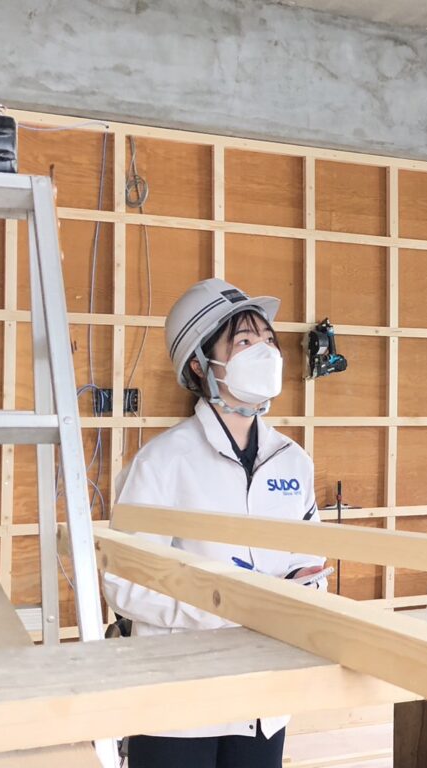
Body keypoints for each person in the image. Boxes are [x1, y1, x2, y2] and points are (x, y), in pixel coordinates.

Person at [102, 278, 328, 768]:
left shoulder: (293, 461)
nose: (266, 352)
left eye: (268, 340)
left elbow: (310, 564)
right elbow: (124, 583)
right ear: (199, 365)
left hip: (263, 697)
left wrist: (299, 595)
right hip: (177, 701)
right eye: (244, 341)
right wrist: (227, 607)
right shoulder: (163, 461)